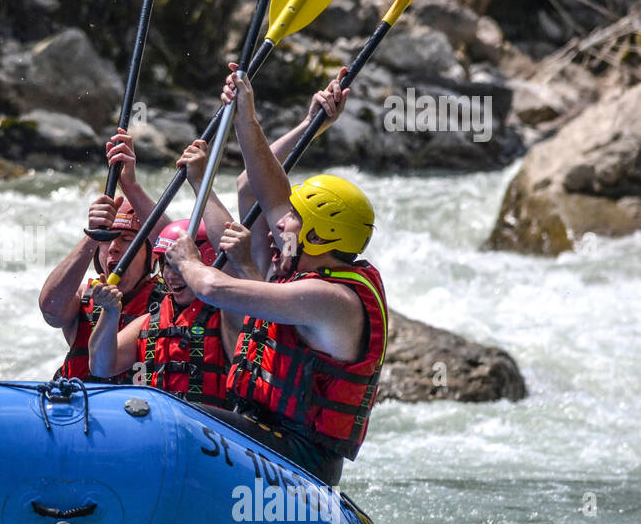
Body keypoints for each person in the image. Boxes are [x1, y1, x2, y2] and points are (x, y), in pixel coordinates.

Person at [162, 67, 386, 484]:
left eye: (293, 220)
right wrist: (248, 117)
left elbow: (212, 286)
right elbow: (256, 185)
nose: (280, 224)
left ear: (320, 234)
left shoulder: (329, 300)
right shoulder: (310, 256)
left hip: (301, 460)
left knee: (168, 419)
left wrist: (188, 261)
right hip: (265, 435)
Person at [37, 131, 171, 382]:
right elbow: (50, 309)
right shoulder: (80, 297)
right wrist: (93, 236)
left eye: (127, 240)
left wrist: (130, 187)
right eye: (107, 241)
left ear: (151, 257)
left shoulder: (172, 301)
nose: (114, 248)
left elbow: (179, 247)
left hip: (142, 415)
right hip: (83, 409)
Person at [88, 219, 232, 408]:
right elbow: (101, 367)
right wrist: (111, 312)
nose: (170, 276)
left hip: (210, 429)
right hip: (162, 426)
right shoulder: (150, 321)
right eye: (165, 264)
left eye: (178, 266)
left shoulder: (229, 317)